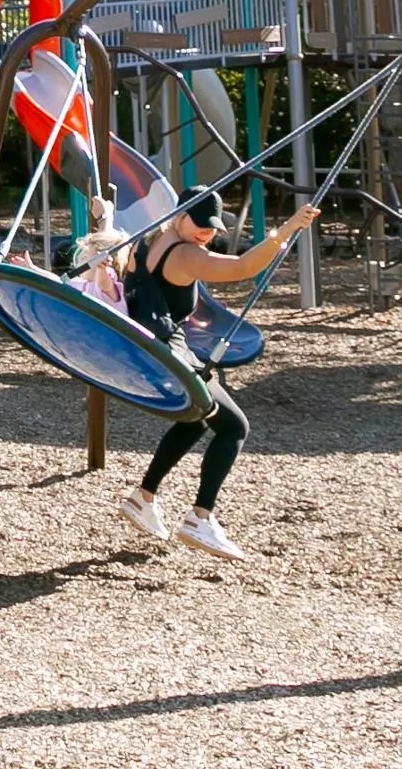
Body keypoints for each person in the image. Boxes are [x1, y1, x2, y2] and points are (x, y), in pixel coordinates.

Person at [117, 189, 318, 559]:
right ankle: (200, 518)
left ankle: (143, 498)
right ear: (180, 215)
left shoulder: (148, 241)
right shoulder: (185, 255)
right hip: (168, 356)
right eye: (200, 224)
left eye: (212, 228)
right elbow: (242, 268)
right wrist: (289, 228)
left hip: (147, 351)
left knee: (196, 421)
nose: (206, 233)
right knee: (234, 427)